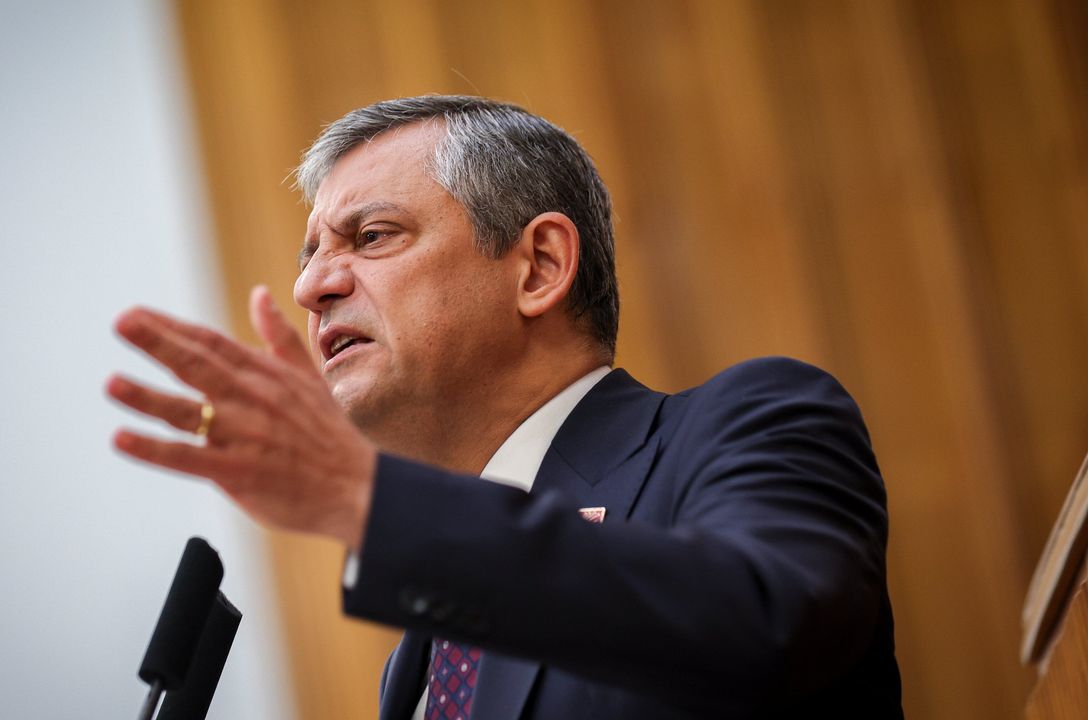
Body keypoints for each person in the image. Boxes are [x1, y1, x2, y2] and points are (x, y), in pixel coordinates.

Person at [107, 96, 903, 719]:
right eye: (311, 255)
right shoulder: (422, 651)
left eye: (372, 236)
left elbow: (764, 628)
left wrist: (366, 501)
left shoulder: (751, 421)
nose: (311, 285)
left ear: (540, 267)